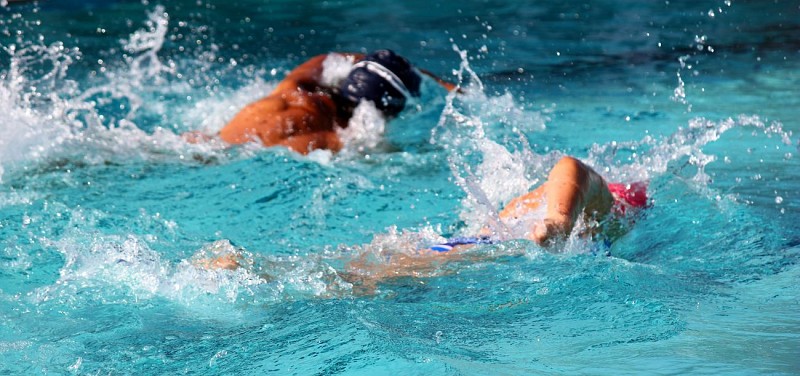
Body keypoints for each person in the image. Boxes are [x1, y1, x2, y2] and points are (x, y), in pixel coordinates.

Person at [201, 156, 648, 294]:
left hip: (474, 242)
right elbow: (572, 168)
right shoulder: (615, 209)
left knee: (368, 270)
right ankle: (261, 276)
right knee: (362, 281)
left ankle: (259, 269)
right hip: (491, 246)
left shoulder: (596, 212)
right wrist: (556, 221)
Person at [190, 49, 457, 154]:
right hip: (222, 160)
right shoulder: (338, 140)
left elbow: (328, 58)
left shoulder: (295, 89)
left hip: (193, 145)